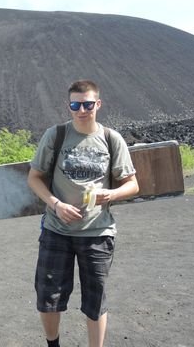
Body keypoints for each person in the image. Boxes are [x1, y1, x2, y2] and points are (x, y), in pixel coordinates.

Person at [27, 79, 139, 347]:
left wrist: (110, 195)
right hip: (57, 229)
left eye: (88, 104)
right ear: (69, 105)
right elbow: (34, 178)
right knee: (48, 297)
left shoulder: (111, 139)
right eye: (76, 105)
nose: (82, 110)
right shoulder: (55, 136)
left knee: (95, 299)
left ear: (98, 104)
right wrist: (56, 204)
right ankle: (53, 344)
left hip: (98, 232)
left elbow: (133, 184)